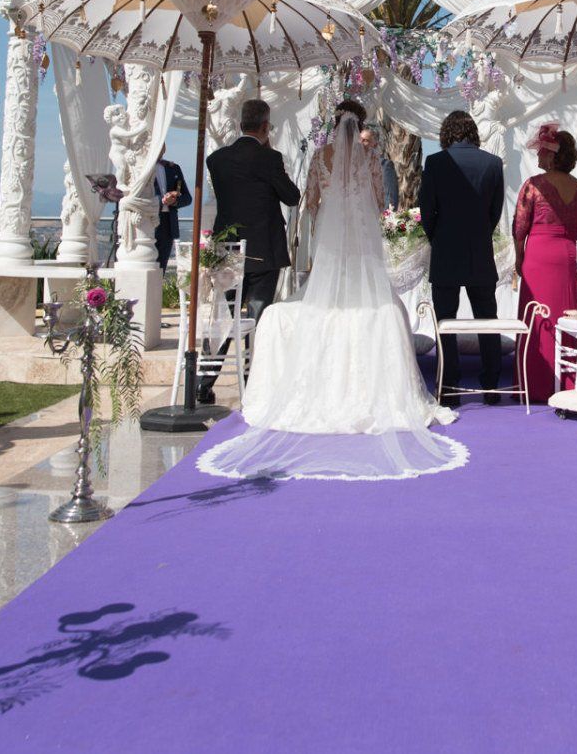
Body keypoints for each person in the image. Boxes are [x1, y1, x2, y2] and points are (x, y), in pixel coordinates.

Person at [195, 106, 463, 482]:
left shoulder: (318, 157)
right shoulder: (370, 157)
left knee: (232, 315)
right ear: (360, 125)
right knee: (265, 308)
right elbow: (378, 201)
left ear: (335, 126)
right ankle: (238, 373)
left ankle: (209, 380)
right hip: (352, 241)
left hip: (308, 243)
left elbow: (310, 201)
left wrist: (324, 218)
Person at [202, 98, 301, 404]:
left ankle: (205, 381)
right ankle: (252, 382)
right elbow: (292, 196)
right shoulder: (269, 158)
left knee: (224, 316)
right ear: (265, 126)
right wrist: (270, 158)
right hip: (263, 249)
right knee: (257, 316)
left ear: (240, 123)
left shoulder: (216, 160)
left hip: (228, 250)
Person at [419, 110, 506, 404]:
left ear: (447, 133)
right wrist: (480, 233)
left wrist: (439, 237)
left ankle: (449, 386)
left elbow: (427, 210)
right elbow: (495, 211)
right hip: (480, 251)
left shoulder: (435, 162)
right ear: (473, 133)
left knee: (446, 321)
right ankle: (491, 385)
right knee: (487, 321)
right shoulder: (493, 163)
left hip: (446, 252)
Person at [514, 125, 577, 401]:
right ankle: (571, 383)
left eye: (541, 152)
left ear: (552, 156)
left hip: (539, 257)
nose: (537, 156)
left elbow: (519, 227)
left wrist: (519, 256)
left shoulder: (533, 185)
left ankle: (536, 384)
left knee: (538, 318)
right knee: (568, 315)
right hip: (570, 257)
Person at [151, 150, 192, 269]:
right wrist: (162, 200)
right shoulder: (141, 168)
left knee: (161, 266)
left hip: (167, 223)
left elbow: (187, 198)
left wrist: (174, 201)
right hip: (149, 220)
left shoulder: (173, 168)